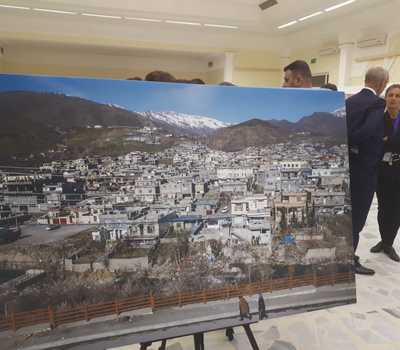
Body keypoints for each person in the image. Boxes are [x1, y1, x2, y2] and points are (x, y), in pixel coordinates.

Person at [346, 67, 389, 275]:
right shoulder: (377, 103)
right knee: (357, 218)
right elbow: (365, 131)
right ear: (382, 84)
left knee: (347, 215)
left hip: (348, 168)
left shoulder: (349, 102)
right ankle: (349, 261)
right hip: (364, 170)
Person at [370, 84, 400, 262]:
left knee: (396, 210)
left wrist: (387, 141)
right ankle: (383, 240)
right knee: (383, 208)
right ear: (385, 98)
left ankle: (389, 243)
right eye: (391, 95)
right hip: (382, 172)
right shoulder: (378, 120)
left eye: (397, 96)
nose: (394, 99)